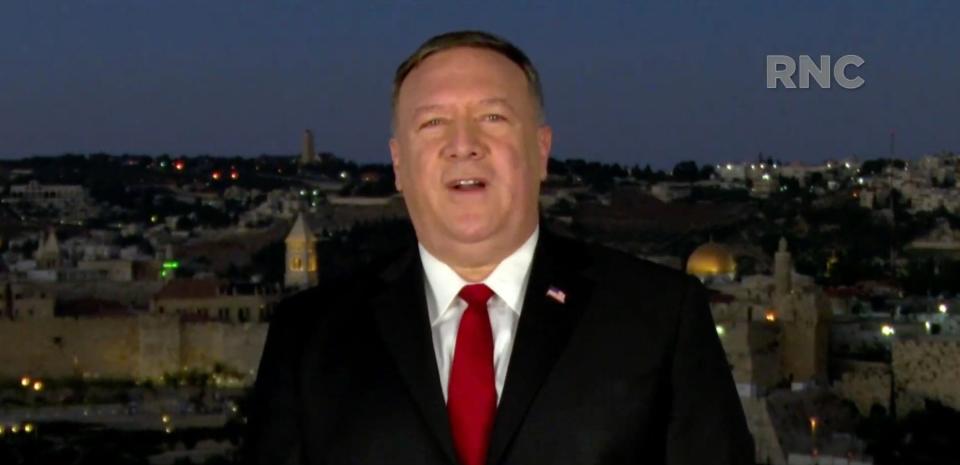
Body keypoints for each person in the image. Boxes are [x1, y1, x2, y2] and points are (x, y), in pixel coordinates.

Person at [242, 30, 754, 465]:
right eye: (433, 122)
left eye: (492, 118)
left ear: (541, 150)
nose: (463, 144)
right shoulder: (309, 337)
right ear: (398, 164)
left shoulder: (660, 317)